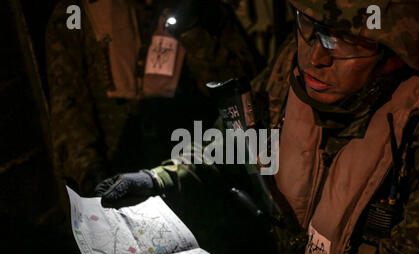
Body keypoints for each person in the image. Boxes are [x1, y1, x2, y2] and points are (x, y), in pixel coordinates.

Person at [95, 0, 419, 254]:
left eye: (343, 41)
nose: (316, 57)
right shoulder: (292, 72)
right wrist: (158, 178)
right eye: (310, 27)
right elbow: (233, 142)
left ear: (397, 55)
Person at [46, 0, 264, 196]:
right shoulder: (74, 13)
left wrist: (192, 31)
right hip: (119, 172)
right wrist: (90, 172)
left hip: (200, 169)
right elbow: (68, 104)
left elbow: (244, 89)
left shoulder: (198, 8)